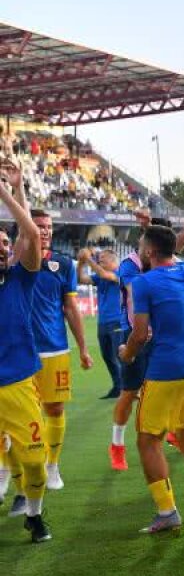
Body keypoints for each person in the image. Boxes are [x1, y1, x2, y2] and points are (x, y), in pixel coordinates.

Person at [120, 224, 184, 534]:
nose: (138, 249)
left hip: (166, 371)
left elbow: (139, 335)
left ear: (150, 251)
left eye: (140, 245)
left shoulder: (144, 283)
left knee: (148, 440)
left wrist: (126, 354)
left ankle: (167, 511)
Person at [109, 197, 184, 474]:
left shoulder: (167, 262)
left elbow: (183, 237)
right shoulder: (130, 266)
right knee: (129, 393)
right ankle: (117, 445)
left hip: (158, 336)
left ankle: (174, 431)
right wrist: (135, 342)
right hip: (136, 333)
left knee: (167, 388)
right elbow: (131, 300)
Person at [0, 159, 53, 542]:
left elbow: (30, 234)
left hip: (17, 384)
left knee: (35, 461)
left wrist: (10, 188)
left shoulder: (19, 280)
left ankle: (33, 514)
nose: (5, 247)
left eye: (6, 242)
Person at [27, 208, 93, 491]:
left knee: (54, 408)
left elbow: (70, 308)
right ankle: (8, 470)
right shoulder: (14, 263)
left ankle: (52, 465)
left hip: (55, 349)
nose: (45, 231)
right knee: (17, 413)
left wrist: (83, 348)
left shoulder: (63, 265)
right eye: (39, 226)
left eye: (49, 226)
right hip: (19, 352)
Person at [75, 247, 124, 399]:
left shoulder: (119, 274)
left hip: (117, 321)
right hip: (103, 322)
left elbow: (103, 273)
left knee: (121, 356)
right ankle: (118, 387)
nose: (99, 260)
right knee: (107, 356)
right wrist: (81, 263)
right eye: (99, 258)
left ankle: (131, 388)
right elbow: (80, 279)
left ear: (113, 260)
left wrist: (88, 258)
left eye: (103, 258)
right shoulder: (100, 277)